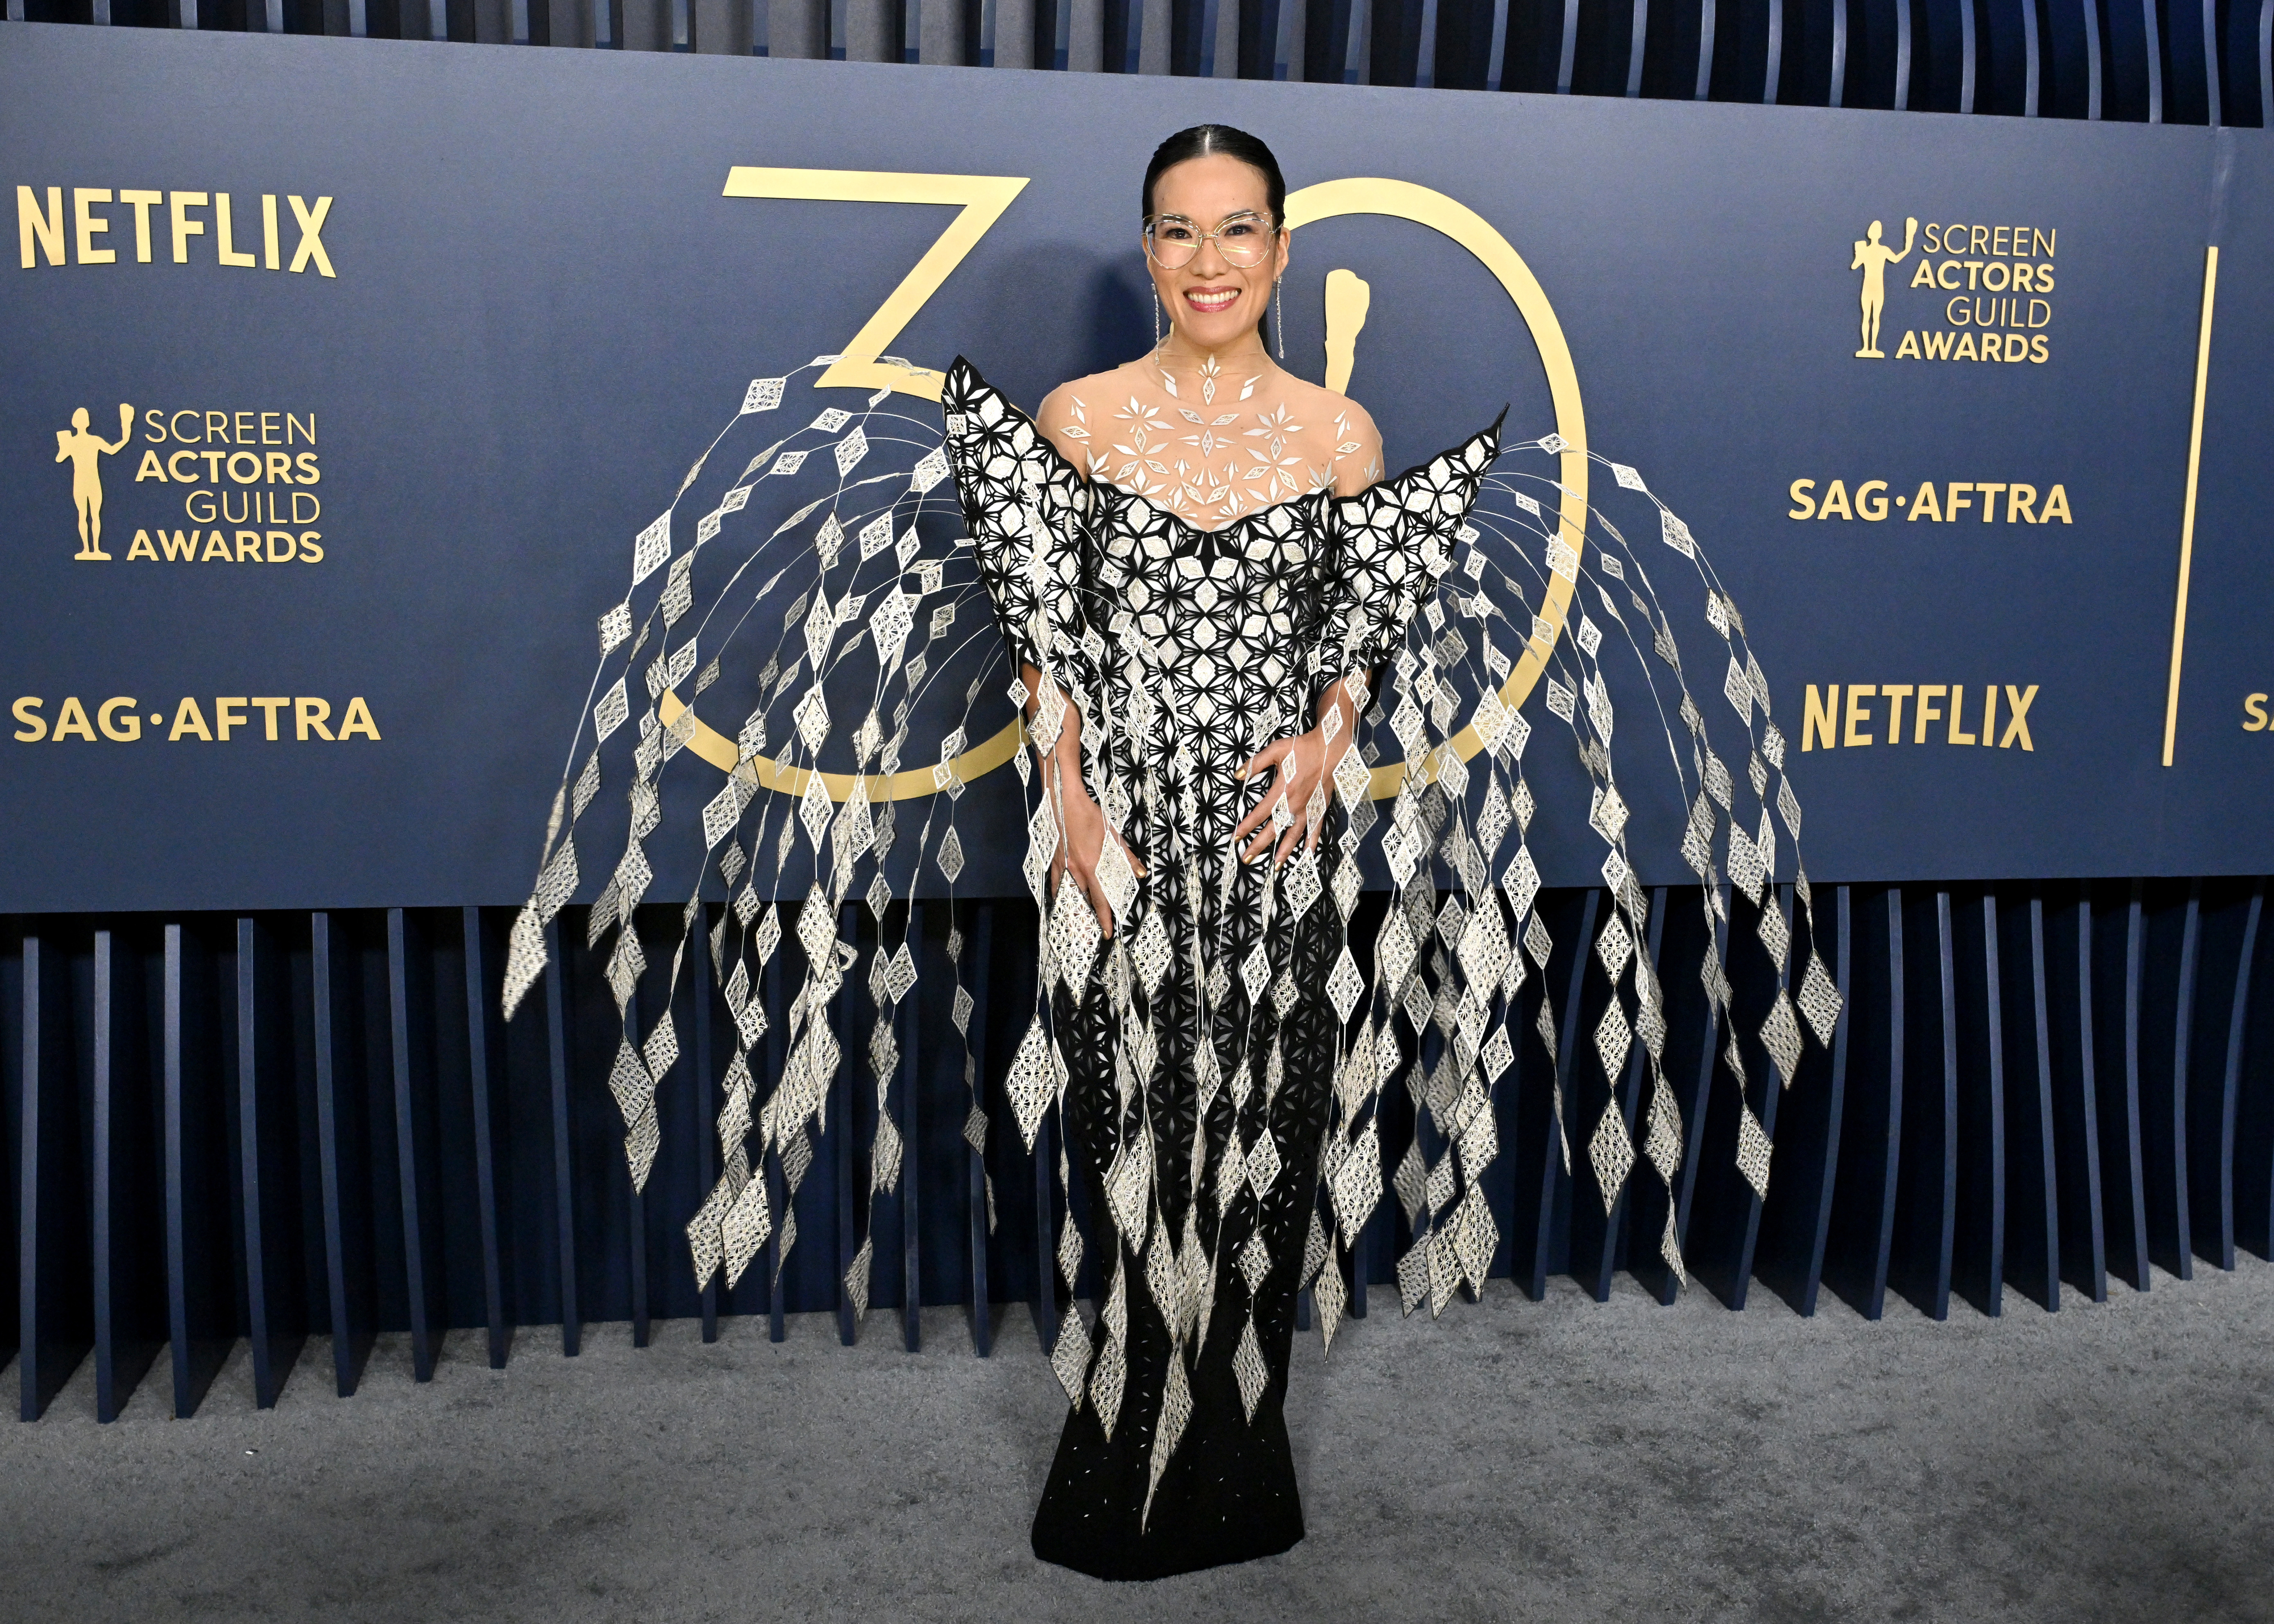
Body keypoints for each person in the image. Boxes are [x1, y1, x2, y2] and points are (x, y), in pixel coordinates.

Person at [941, 124, 1500, 1580]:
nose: (1208, 262)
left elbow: (1352, 645)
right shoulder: (1072, 419)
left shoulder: (1337, 435)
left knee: (1265, 1147)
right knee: (1123, 1137)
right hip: (1114, 840)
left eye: (1236, 230)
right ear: (1147, 249)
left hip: (1272, 856)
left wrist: (1324, 745)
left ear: (1281, 249)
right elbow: (1041, 648)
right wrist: (1066, 800)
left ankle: (1239, 1466)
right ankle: (1115, 1455)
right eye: (1179, 233)